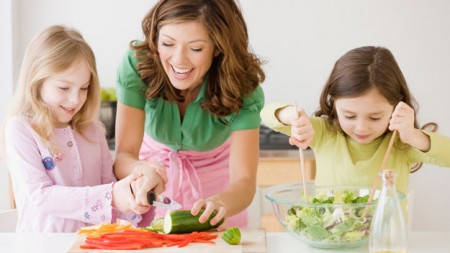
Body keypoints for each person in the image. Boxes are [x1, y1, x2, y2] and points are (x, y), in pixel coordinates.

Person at [114, 0, 265, 228]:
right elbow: (124, 155)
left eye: (195, 48)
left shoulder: (241, 87)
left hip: (218, 192)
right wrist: (142, 170)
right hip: (153, 184)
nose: (178, 60)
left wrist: (221, 203)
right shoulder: (138, 64)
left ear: (218, 47)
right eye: (167, 43)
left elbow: (244, 183)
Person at [2, 25, 165, 232]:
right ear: (36, 81)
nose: (75, 99)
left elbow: (111, 196)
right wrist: (113, 194)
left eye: (84, 88)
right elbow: (41, 196)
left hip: (92, 245)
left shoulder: (93, 131)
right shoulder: (20, 128)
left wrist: (137, 197)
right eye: (63, 87)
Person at [261, 46, 450, 195]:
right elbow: (266, 114)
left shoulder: (402, 143)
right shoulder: (325, 133)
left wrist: (415, 136)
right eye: (349, 116)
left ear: (396, 107)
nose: (361, 127)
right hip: (330, 240)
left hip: (384, 243)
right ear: (333, 103)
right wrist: (291, 116)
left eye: (375, 117)